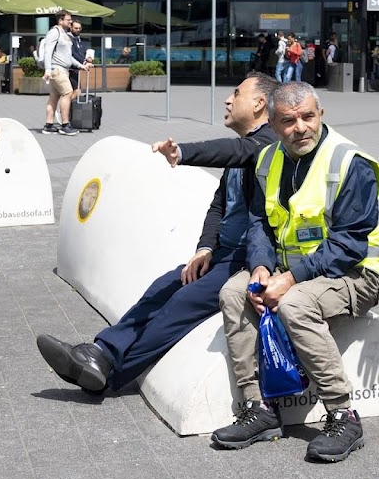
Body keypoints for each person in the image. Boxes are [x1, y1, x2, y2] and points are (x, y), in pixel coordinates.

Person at [35, 72, 278, 393]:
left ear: (260, 103)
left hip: (245, 262)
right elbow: (219, 206)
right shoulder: (246, 148)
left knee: (180, 305)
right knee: (162, 287)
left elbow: (231, 151)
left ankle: (109, 374)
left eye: (237, 94)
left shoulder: (267, 144)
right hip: (221, 255)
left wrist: (184, 153)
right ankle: (99, 352)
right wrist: (205, 249)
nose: (228, 100)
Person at [211, 81, 379, 464]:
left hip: (353, 274)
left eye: (308, 116)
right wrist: (259, 266)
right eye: (289, 121)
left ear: (321, 114)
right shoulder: (268, 159)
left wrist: (289, 279)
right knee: (232, 292)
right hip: (289, 267)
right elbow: (259, 222)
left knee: (294, 305)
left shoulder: (350, 163)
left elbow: (350, 244)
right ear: (272, 123)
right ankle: (259, 409)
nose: (301, 127)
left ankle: (343, 414)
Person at [40, 10, 90, 136]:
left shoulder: (65, 35)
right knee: (67, 93)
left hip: (62, 69)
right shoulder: (54, 32)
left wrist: (80, 66)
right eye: (68, 20)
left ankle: (49, 125)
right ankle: (65, 125)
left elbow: (68, 57)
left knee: (54, 97)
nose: (70, 22)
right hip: (57, 70)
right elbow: (48, 52)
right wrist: (47, 70)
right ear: (60, 20)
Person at [67, 19, 87, 94]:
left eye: (79, 28)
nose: (78, 30)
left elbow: (79, 52)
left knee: (75, 91)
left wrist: (86, 58)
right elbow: (73, 53)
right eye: (76, 28)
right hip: (69, 69)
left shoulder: (77, 39)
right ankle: (67, 104)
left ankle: (69, 105)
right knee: (75, 91)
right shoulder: (68, 38)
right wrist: (84, 61)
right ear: (71, 27)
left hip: (75, 69)